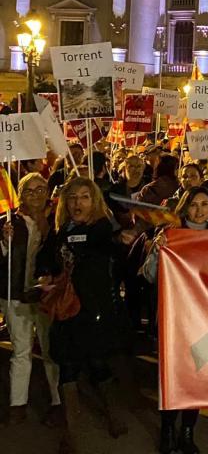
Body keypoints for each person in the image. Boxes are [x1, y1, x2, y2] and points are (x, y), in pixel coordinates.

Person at [46, 178, 129, 453]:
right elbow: (46, 261)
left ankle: (114, 415)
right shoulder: (60, 231)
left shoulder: (102, 228)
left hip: (94, 313)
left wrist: (122, 239)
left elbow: (110, 246)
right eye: (72, 198)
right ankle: (72, 434)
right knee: (67, 371)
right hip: (67, 312)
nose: (77, 203)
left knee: (97, 366)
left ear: (94, 201)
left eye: (84, 197)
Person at [141, 186, 208, 454]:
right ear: (184, 208)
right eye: (193, 205)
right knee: (171, 375)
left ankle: (187, 431)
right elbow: (150, 275)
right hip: (174, 318)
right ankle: (167, 428)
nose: (199, 210)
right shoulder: (170, 235)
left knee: (195, 377)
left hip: (205, 319)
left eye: (204, 204)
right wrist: (158, 250)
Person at [0, 173, 61, 428]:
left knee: (50, 350)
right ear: (21, 194)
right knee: (22, 350)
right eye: (30, 190)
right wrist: (4, 241)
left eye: (41, 189)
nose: (36, 195)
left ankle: (58, 403)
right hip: (16, 296)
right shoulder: (8, 223)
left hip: (47, 295)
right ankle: (18, 404)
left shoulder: (56, 220)